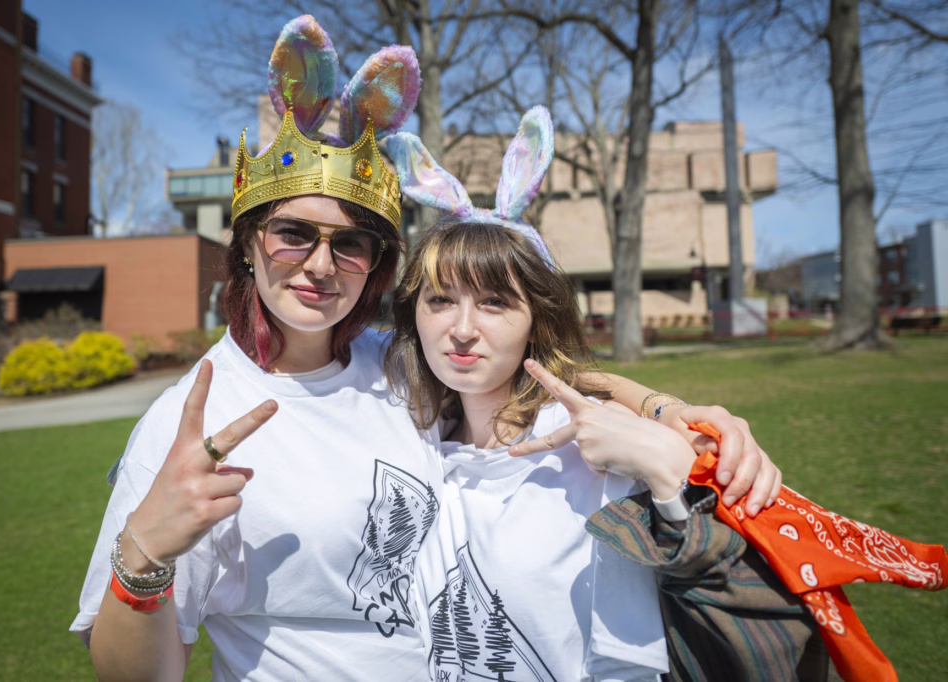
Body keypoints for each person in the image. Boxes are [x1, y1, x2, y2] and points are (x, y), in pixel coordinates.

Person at [72, 19, 780, 681]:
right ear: (248, 246)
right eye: (292, 233)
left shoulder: (393, 362)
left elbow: (529, 367)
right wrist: (145, 556)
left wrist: (666, 407)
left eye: (349, 244)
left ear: (376, 268)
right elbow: (138, 672)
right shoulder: (186, 426)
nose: (319, 265)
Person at [383, 108, 821, 681]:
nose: (463, 328)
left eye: (494, 303)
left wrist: (670, 444)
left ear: (537, 319)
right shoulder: (408, 435)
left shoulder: (599, 449)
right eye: (440, 300)